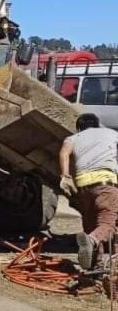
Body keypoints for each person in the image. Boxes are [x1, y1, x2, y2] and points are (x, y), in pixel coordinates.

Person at [59, 113, 118, 270]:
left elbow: (64, 153)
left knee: (91, 225)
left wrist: (65, 176)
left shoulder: (73, 138)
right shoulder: (111, 133)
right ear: (97, 124)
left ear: (79, 127)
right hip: (106, 183)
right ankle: (91, 241)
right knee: (107, 224)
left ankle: (96, 267)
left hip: (83, 186)